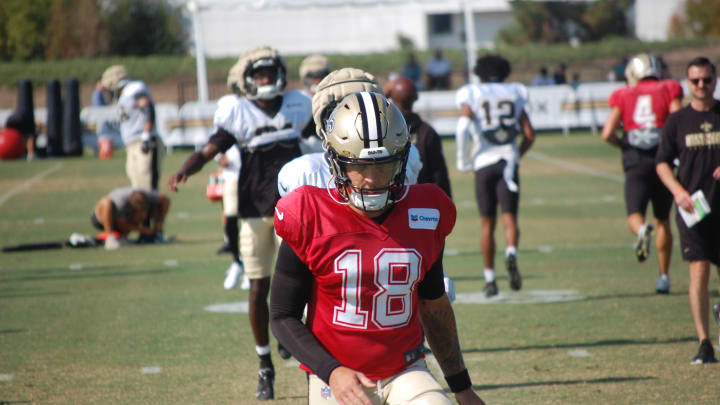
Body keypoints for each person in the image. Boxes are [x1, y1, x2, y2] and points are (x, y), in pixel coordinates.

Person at [270, 90, 484, 405]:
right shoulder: (307, 213)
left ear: (402, 159)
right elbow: (282, 315)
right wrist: (331, 370)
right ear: (335, 161)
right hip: (338, 374)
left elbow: (433, 304)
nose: (371, 179)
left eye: (383, 165)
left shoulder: (427, 211)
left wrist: (462, 387)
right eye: (359, 165)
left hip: (405, 369)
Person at [167, 45, 312, 400]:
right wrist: (185, 169)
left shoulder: (298, 105)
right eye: (259, 74)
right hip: (253, 210)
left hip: (291, 208)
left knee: (305, 284)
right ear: (249, 80)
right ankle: (265, 365)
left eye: (269, 73)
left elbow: (324, 133)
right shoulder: (238, 111)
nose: (265, 79)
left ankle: (296, 341)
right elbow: (209, 149)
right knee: (258, 287)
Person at [601, 53, 683, 294]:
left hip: (636, 161)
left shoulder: (624, 94)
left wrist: (624, 146)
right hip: (663, 161)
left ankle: (640, 230)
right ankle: (664, 277)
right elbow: (677, 121)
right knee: (663, 221)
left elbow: (607, 133)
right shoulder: (668, 88)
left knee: (634, 216)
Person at [656, 56, 720, 364]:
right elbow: (661, 163)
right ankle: (704, 342)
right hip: (693, 208)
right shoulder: (678, 121)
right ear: (687, 83)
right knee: (699, 271)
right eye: (695, 81)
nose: (701, 86)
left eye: (706, 80)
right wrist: (678, 192)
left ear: (715, 80)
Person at [455, 54, 535, 298]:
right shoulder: (516, 92)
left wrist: (462, 159)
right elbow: (529, 134)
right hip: (508, 162)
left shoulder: (473, 93)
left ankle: (490, 279)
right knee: (510, 219)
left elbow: (462, 127)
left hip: (483, 162)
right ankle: (511, 251)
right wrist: (516, 155)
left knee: (487, 224)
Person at [384, 75, 452, 197]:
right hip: (422, 199)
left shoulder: (384, 130)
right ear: (415, 97)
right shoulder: (427, 131)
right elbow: (439, 175)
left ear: (391, 96)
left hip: (390, 200)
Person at [101, 65, 163, 192]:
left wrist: (146, 135)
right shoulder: (124, 95)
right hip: (131, 144)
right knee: (137, 188)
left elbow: (147, 107)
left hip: (144, 142)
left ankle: (151, 211)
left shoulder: (133, 89)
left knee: (147, 186)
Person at [91, 187, 169, 250]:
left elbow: (166, 200)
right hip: (100, 219)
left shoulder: (148, 196)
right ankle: (110, 238)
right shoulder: (120, 203)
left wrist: (159, 222)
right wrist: (142, 230)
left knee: (154, 207)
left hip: (124, 217)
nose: (143, 216)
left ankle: (156, 235)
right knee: (106, 202)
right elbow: (122, 225)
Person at [298, 54, 331, 154]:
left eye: (321, 77)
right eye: (313, 77)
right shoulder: (299, 100)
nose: (317, 81)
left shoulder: (333, 97)